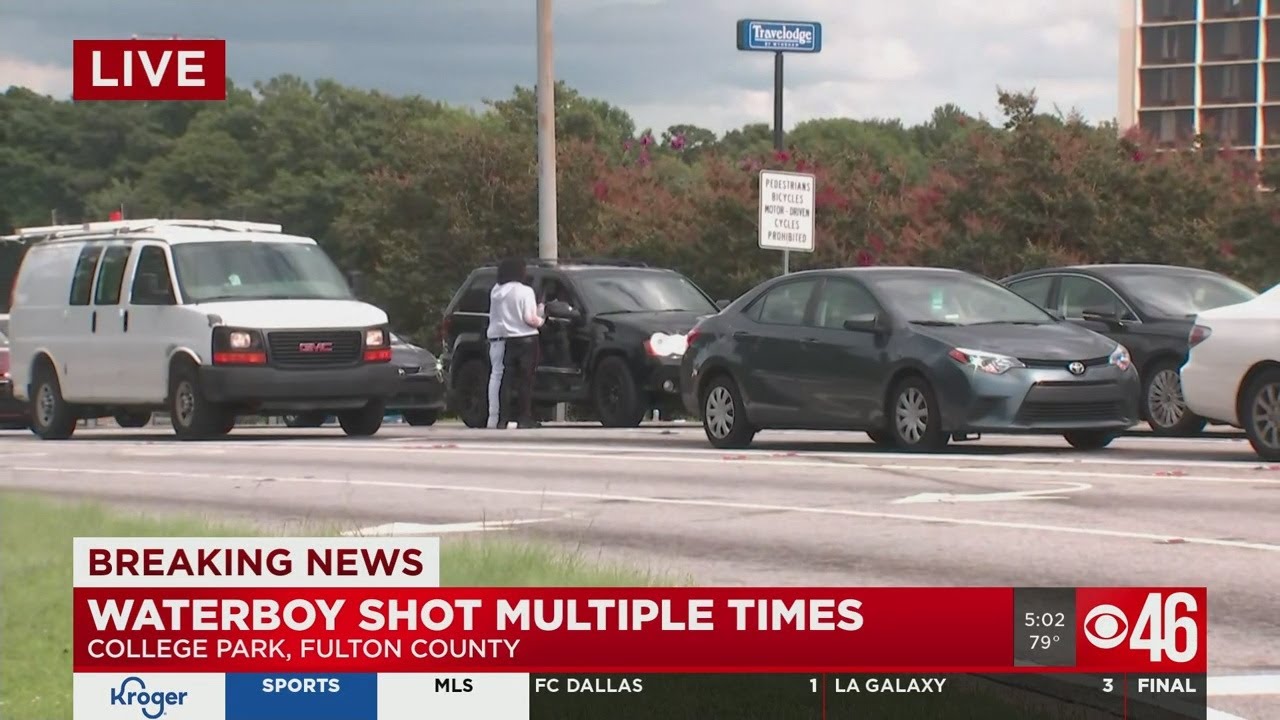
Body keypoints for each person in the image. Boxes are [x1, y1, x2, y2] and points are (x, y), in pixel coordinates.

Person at [488, 259, 545, 428]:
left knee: (507, 379)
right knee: (525, 381)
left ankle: (502, 419)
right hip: (527, 338)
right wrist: (541, 319)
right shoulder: (525, 291)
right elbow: (529, 319)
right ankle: (524, 418)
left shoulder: (496, 292)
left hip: (509, 340)